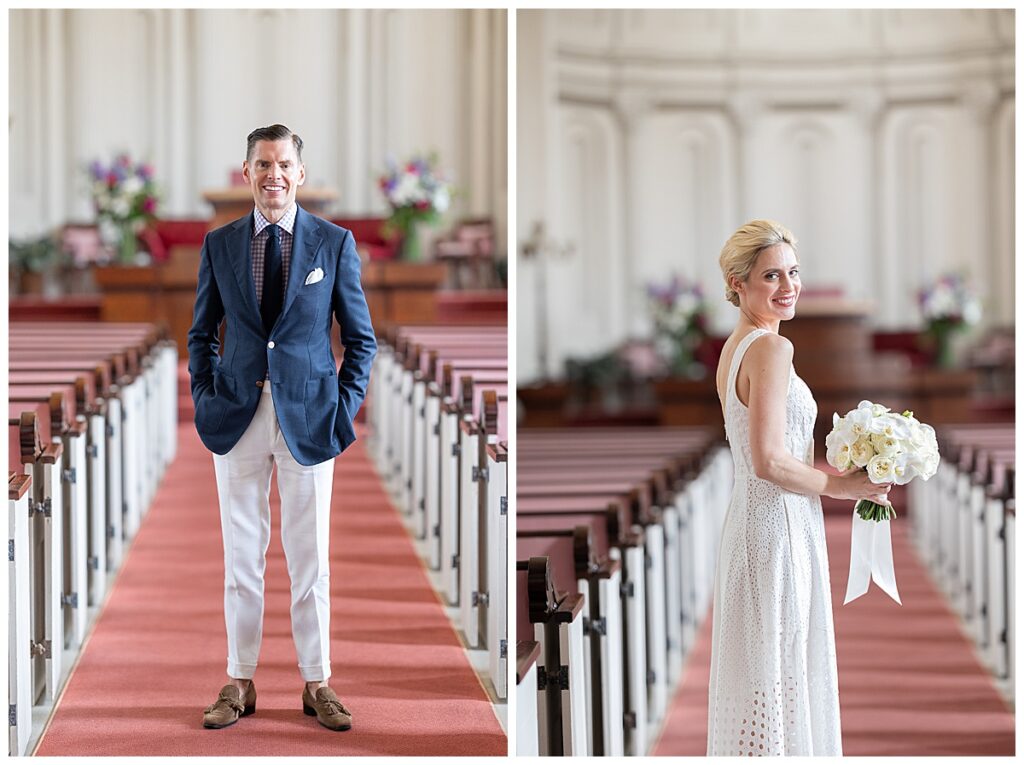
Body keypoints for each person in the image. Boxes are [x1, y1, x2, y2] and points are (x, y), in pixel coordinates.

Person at [187, 124, 377, 731]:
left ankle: (316, 681)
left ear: (300, 174)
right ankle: (239, 680)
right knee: (241, 557)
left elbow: (361, 340)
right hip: (238, 414)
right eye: (262, 164)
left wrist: (341, 409)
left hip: (310, 418)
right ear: (246, 173)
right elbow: (200, 334)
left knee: (309, 559)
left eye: (284, 164)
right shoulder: (219, 244)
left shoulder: (334, 243)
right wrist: (205, 393)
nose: (274, 174)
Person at [706, 220, 890, 755]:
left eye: (793, 271)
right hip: (778, 530)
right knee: (783, 671)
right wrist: (845, 485)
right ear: (738, 284)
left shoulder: (736, 346)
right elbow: (768, 460)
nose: (788, 286)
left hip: (753, 525)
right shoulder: (770, 350)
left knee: (768, 676)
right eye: (771, 275)